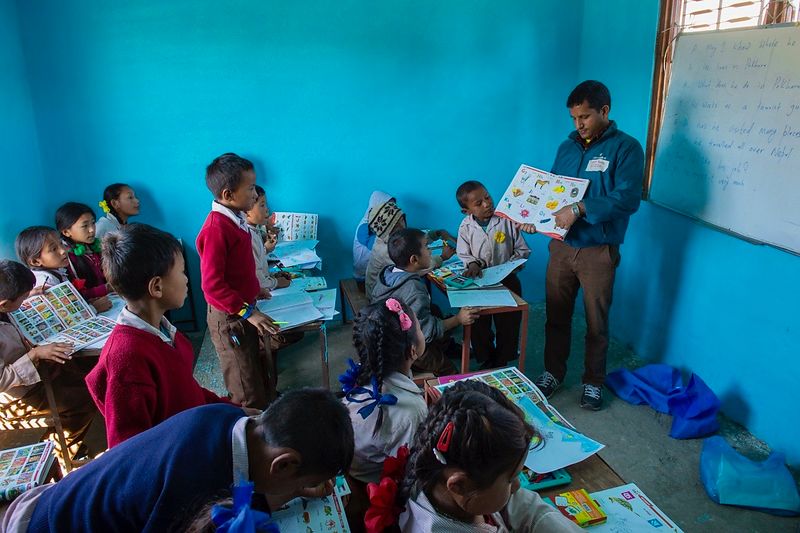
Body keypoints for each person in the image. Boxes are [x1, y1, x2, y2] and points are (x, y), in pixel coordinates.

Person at [4, 389, 354, 533]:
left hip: (56, 501)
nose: (298, 490)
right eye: (300, 482)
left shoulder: (227, 420)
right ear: (284, 465)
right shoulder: (195, 490)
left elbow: (244, 482)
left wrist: (288, 493)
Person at [534, 80, 644, 411]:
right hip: (562, 248)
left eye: (584, 116)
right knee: (556, 314)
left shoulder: (627, 148)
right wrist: (535, 218)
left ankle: (593, 382)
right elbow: (552, 192)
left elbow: (627, 198)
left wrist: (581, 209)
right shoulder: (567, 148)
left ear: (604, 111)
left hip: (598, 250)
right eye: (573, 118)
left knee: (596, 322)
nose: (578, 124)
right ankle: (553, 372)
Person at [85, 224, 234, 447]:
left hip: (192, 437)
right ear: (156, 287)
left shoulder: (164, 332)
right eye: (182, 272)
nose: (186, 280)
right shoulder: (127, 357)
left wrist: (231, 411)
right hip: (177, 459)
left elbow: (187, 391)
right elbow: (128, 448)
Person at [395, 381, 581, 532]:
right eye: (512, 479)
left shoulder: (439, 476)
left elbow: (522, 505)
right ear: (460, 485)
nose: (518, 486)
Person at [196, 153, 278, 409]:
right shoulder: (216, 229)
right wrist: (247, 311)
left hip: (243, 309)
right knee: (244, 383)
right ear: (229, 194)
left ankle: (265, 413)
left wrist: (255, 289)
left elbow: (238, 270)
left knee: (255, 367)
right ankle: (250, 430)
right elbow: (212, 286)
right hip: (229, 318)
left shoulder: (236, 220)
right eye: (251, 188)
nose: (255, 195)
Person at [339, 298, 428, 532]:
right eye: (420, 329)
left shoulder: (360, 383)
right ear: (412, 350)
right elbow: (413, 474)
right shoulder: (411, 410)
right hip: (377, 496)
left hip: (356, 472)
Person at [0, 260, 98, 465]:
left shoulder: (6, 304)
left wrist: (30, 295)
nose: (26, 300)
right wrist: (34, 355)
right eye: (23, 298)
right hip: (15, 396)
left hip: (34, 372)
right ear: (4, 304)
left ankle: (67, 443)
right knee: (83, 401)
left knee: (86, 374)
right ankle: (59, 454)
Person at [372, 228, 478, 375]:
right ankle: (425, 367)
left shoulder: (388, 273)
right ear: (414, 260)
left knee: (434, 309)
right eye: (427, 247)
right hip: (405, 348)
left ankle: (444, 347)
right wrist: (458, 319)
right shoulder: (413, 288)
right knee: (450, 371)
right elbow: (426, 332)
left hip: (387, 338)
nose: (430, 251)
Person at [455, 181, 532, 367]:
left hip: (508, 280)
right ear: (467, 211)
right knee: (479, 324)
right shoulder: (465, 227)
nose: (487, 204)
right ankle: (487, 358)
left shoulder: (506, 220)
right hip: (479, 281)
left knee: (509, 323)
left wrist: (513, 265)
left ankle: (502, 359)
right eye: (478, 203)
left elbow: (522, 250)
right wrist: (473, 264)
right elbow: (464, 252)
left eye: (487, 197)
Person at [363, 196, 456, 297]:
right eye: (397, 226)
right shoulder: (386, 251)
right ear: (388, 231)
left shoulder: (386, 238)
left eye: (402, 220)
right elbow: (417, 268)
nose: (402, 226)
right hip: (382, 298)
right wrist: (442, 257)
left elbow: (412, 241)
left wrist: (434, 235)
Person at [55, 202, 112, 312]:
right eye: (84, 226)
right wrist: (106, 288)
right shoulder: (66, 259)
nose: (92, 230)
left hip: (108, 300)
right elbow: (73, 295)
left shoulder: (94, 248)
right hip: (92, 307)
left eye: (93, 223)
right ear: (66, 232)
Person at [244, 185, 291, 293]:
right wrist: (277, 283)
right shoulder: (248, 237)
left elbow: (258, 266)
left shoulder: (254, 231)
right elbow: (257, 281)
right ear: (246, 211)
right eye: (262, 205)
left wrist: (272, 276)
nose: (267, 210)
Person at [353, 191, 394, 287]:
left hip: (374, 274)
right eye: (387, 208)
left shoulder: (377, 225)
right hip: (364, 279)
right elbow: (379, 248)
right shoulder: (364, 227)